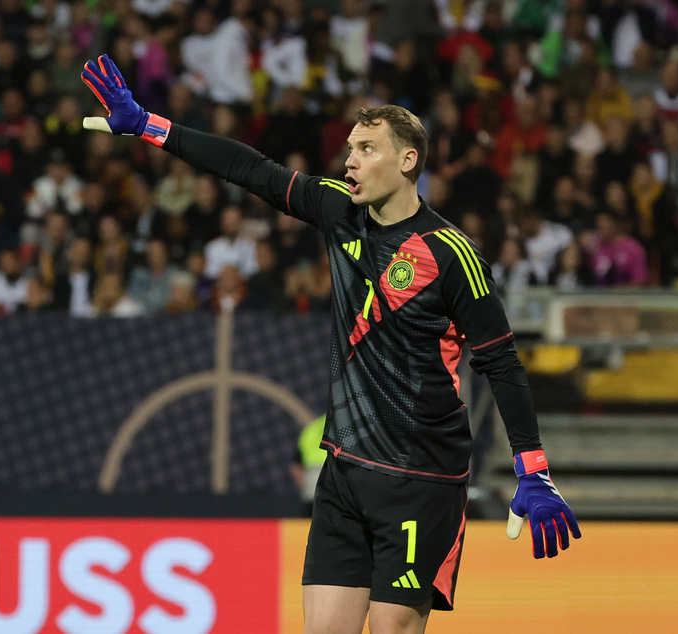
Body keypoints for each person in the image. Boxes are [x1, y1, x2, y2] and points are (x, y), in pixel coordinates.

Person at [82, 54, 580, 634]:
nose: (350, 160)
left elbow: (500, 360)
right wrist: (149, 125)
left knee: (393, 629)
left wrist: (533, 468)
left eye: (366, 149)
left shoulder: (451, 255)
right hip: (343, 471)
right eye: (350, 148)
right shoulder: (338, 210)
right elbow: (251, 169)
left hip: (420, 480)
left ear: (407, 159)